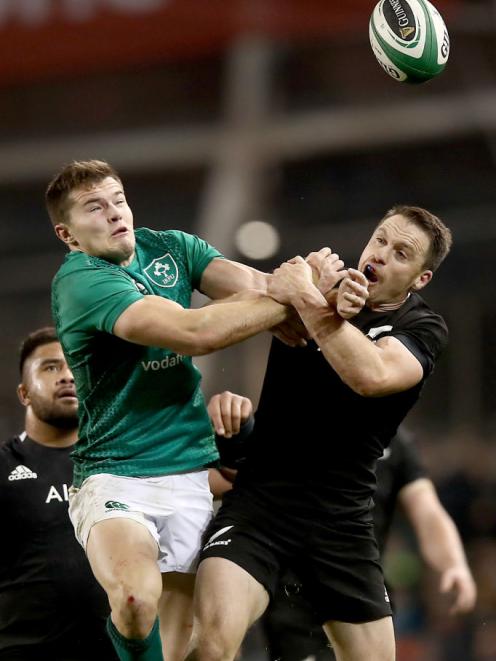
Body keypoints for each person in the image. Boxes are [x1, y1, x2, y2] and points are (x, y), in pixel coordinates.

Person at [46, 159, 303, 661]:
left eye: (118, 199)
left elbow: (254, 285)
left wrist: (305, 289)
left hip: (191, 473)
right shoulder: (80, 281)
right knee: (136, 600)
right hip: (116, 473)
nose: (115, 213)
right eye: (94, 208)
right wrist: (293, 296)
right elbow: (194, 332)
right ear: (69, 234)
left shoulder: (172, 247)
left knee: (184, 649)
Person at [187, 205, 453, 661]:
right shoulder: (319, 284)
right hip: (259, 507)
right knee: (211, 645)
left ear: (420, 280)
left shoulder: (422, 328)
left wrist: (305, 299)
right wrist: (285, 288)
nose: (382, 254)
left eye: (402, 253)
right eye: (381, 239)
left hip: (342, 521)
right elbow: (221, 315)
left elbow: (371, 374)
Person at [207, 394, 477, 661]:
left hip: (361, 587)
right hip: (294, 601)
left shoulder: (394, 441)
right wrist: (230, 428)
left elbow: (427, 510)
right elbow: (228, 483)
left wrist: (454, 563)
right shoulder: (289, 428)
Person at [0, 326, 117, 661]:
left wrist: (235, 433)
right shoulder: (4, 466)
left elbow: (224, 481)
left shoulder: (121, 462)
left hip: (115, 652)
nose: (66, 376)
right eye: (50, 368)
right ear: (24, 393)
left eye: (73, 367)